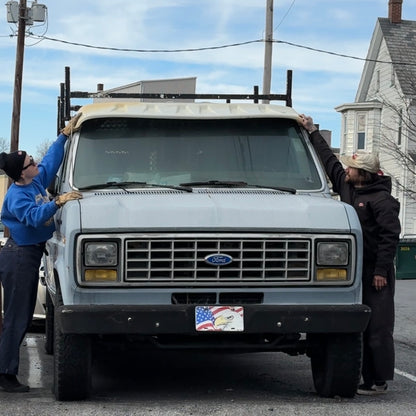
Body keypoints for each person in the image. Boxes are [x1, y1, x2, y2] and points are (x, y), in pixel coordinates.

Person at [299, 114, 401, 396]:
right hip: (353, 270)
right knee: (358, 326)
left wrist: (381, 271)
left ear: (365, 175)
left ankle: (377, 381)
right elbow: (329, 162)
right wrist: (311, 131)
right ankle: (364, 378)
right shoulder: (348, 186)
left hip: (375, 272)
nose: (346, 169)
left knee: (377, 328)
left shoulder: (383, 202)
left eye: (352, 168)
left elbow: (389, 237)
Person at [0, 113, 83, 393]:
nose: (35, 162)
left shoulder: (34, 181)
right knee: (17, 316)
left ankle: (6, 368)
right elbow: (35, 217)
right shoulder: (16, 196)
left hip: (28, 255)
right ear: (22, 172)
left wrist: (64, 135)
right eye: (30, 163)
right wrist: (58, 201)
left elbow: (50, 160)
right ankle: (5, 373)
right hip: (19, 257)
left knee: (19, 316)